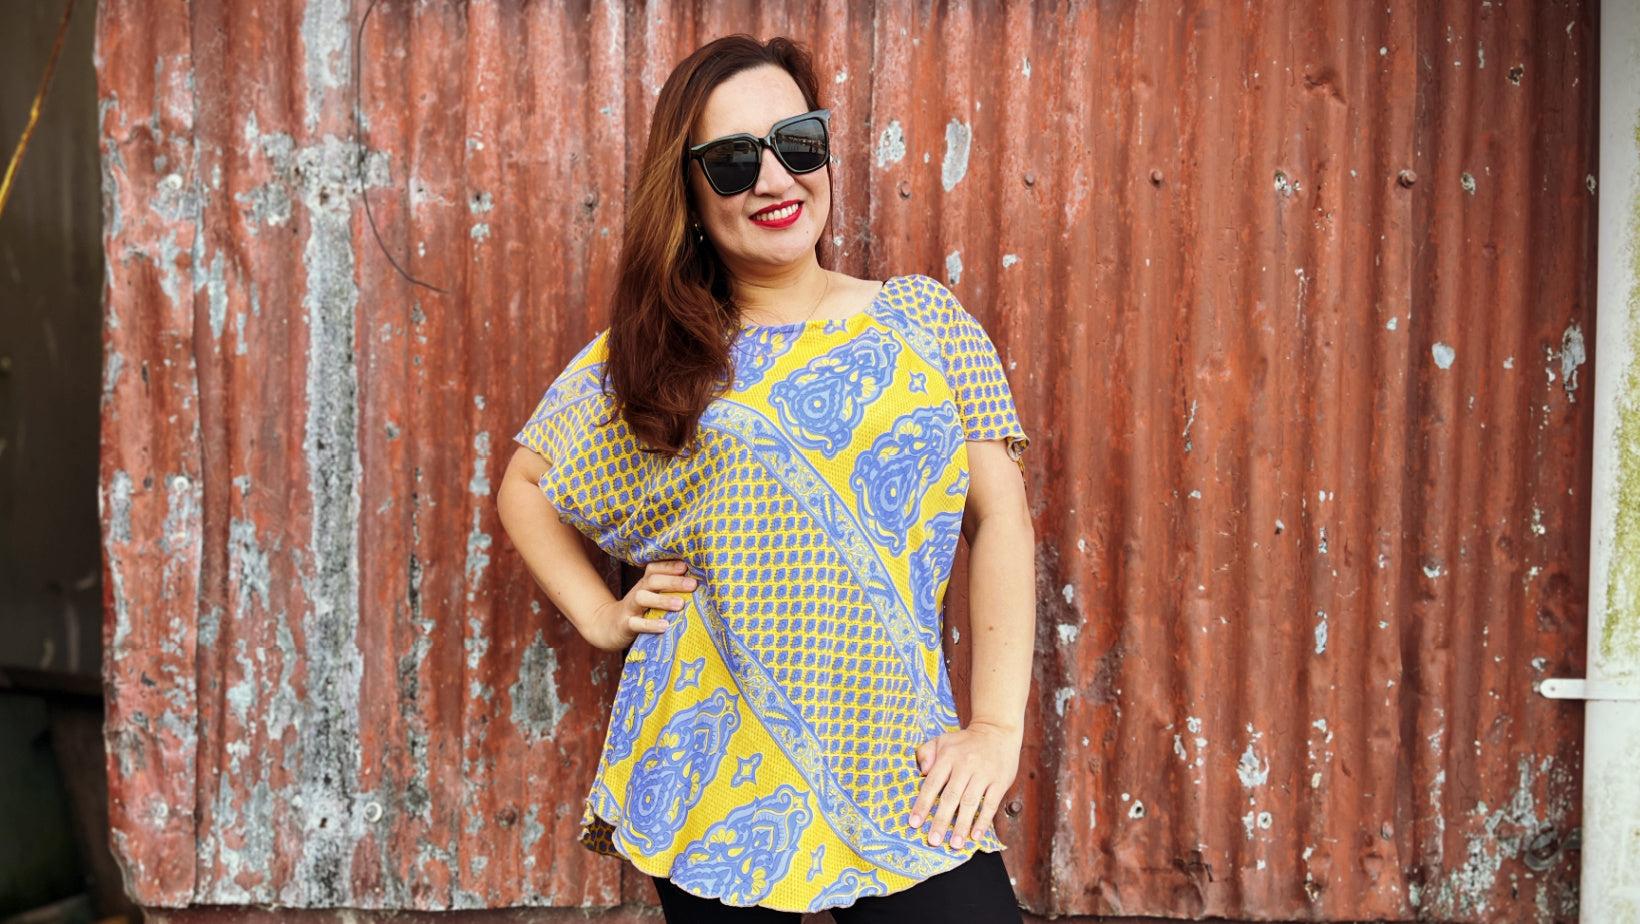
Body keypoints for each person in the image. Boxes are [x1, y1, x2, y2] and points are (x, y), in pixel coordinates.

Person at [495, 34, 1035, 922]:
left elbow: (1002, 521)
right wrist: (601, 616)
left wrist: (996, 730)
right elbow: (526, 485)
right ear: (689, 192)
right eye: (734, 161)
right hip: (713, 773)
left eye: (797, 143)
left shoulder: (925, 322)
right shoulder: (659, 354)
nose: (775, 179)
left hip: (901, 761)